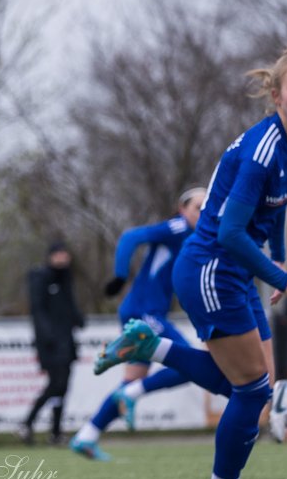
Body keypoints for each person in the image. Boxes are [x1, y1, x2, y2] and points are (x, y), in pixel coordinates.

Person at [96, 47, 287, 479]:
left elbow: (277, 211)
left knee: (252, 390)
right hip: (212, 270)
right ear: (278, 93)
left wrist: (278, 261)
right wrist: (281, 273)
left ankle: (153, 348)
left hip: (234, 272)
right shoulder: (265, 151)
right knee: (252, 390)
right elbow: (228, 231)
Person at [69, 189, 205, 460]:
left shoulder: (198, 236)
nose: (202, 213)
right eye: (197, 207)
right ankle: (131, 394)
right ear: (182, 209)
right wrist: (119, 276)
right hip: (144, 313)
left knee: (131, 382)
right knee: (192, 365)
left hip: (148, 313)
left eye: (208, 206)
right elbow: (130, 236)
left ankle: (86, 436)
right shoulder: (177, 227)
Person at [17, 242, 85, 445]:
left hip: (66, 340)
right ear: (50, 256)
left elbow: (69, 304)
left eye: (66, 254)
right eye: (59, 254)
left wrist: (77, 318)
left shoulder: (66, 278)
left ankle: (55, 432)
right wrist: (47, 335)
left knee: (62, 387)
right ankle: (27, 424)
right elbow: (38, 310)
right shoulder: (40, 277)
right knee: (56, 384)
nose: (63, 258)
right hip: (51, 343)